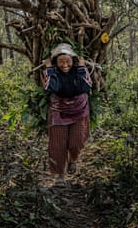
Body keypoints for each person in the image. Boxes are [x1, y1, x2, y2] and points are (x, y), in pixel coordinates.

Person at [43, 43, 92, 187]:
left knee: (77, 142)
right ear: (56, 63)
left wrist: (82, 67)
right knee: (58, 144)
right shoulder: (53, 72)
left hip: (80, 109)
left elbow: (86, 87)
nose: (65, 65)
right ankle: (59, 176)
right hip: (58, 110)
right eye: (61, 62)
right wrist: (49, 69)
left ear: (73, 61)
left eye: (68, 61)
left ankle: (72, 159)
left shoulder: (79, 70)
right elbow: (52, 87)